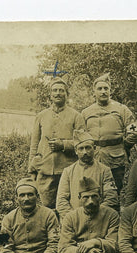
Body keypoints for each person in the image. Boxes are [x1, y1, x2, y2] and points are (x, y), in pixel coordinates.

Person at [28, 77, 85, 209]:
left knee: (68, 206)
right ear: (50, 95)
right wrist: (31, 168)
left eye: (61, 90)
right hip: (45, 170)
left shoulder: (76, 116)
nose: (58, 93)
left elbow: (82, 143)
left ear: (67, 94)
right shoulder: (41, 116)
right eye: (55, 90)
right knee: (46, 207)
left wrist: (63, 145)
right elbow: (34, 144)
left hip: (68, 170)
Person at [81, 73, 137, 193]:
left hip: (115, 157)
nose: (103, 91)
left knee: (114, 190)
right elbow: (81, 136)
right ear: (94, 92)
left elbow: (134, 132)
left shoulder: (122, 109)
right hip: (94, 157)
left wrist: (125, 146)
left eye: (106, 88)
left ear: (110, 91)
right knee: (93, 190)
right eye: (100, 89)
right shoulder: (85, 112)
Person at [56, 129, 119, 219]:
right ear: (76, 151)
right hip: (75, 220)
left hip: (99, 218)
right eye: (81, 148)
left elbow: (111, 198)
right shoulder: (68, 171)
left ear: (94, 148)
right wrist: (75, 218)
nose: (85, 152)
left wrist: (96, 216)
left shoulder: (105, 170)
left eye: (88, 147)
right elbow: (61, 201)